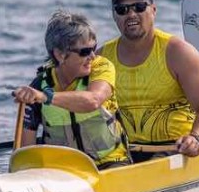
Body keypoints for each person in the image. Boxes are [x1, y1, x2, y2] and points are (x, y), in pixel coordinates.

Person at [100, 0, 199, 160]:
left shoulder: (179, 52)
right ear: (114, 16)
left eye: (139, 7)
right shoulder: (102, 57)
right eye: (122, 10)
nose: (131, 14)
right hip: (121, 150)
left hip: (176, 148)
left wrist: (196, 138)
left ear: (153, 10)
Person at [12, 10, 130, 168]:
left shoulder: (101, 68)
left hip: (111, 164)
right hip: (64, 172)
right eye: (85, 52)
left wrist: (46, 97)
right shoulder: (39, 85)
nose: (92, 56)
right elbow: (25, 152)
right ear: (60, 55)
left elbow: (93, 100)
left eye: (93, 48)